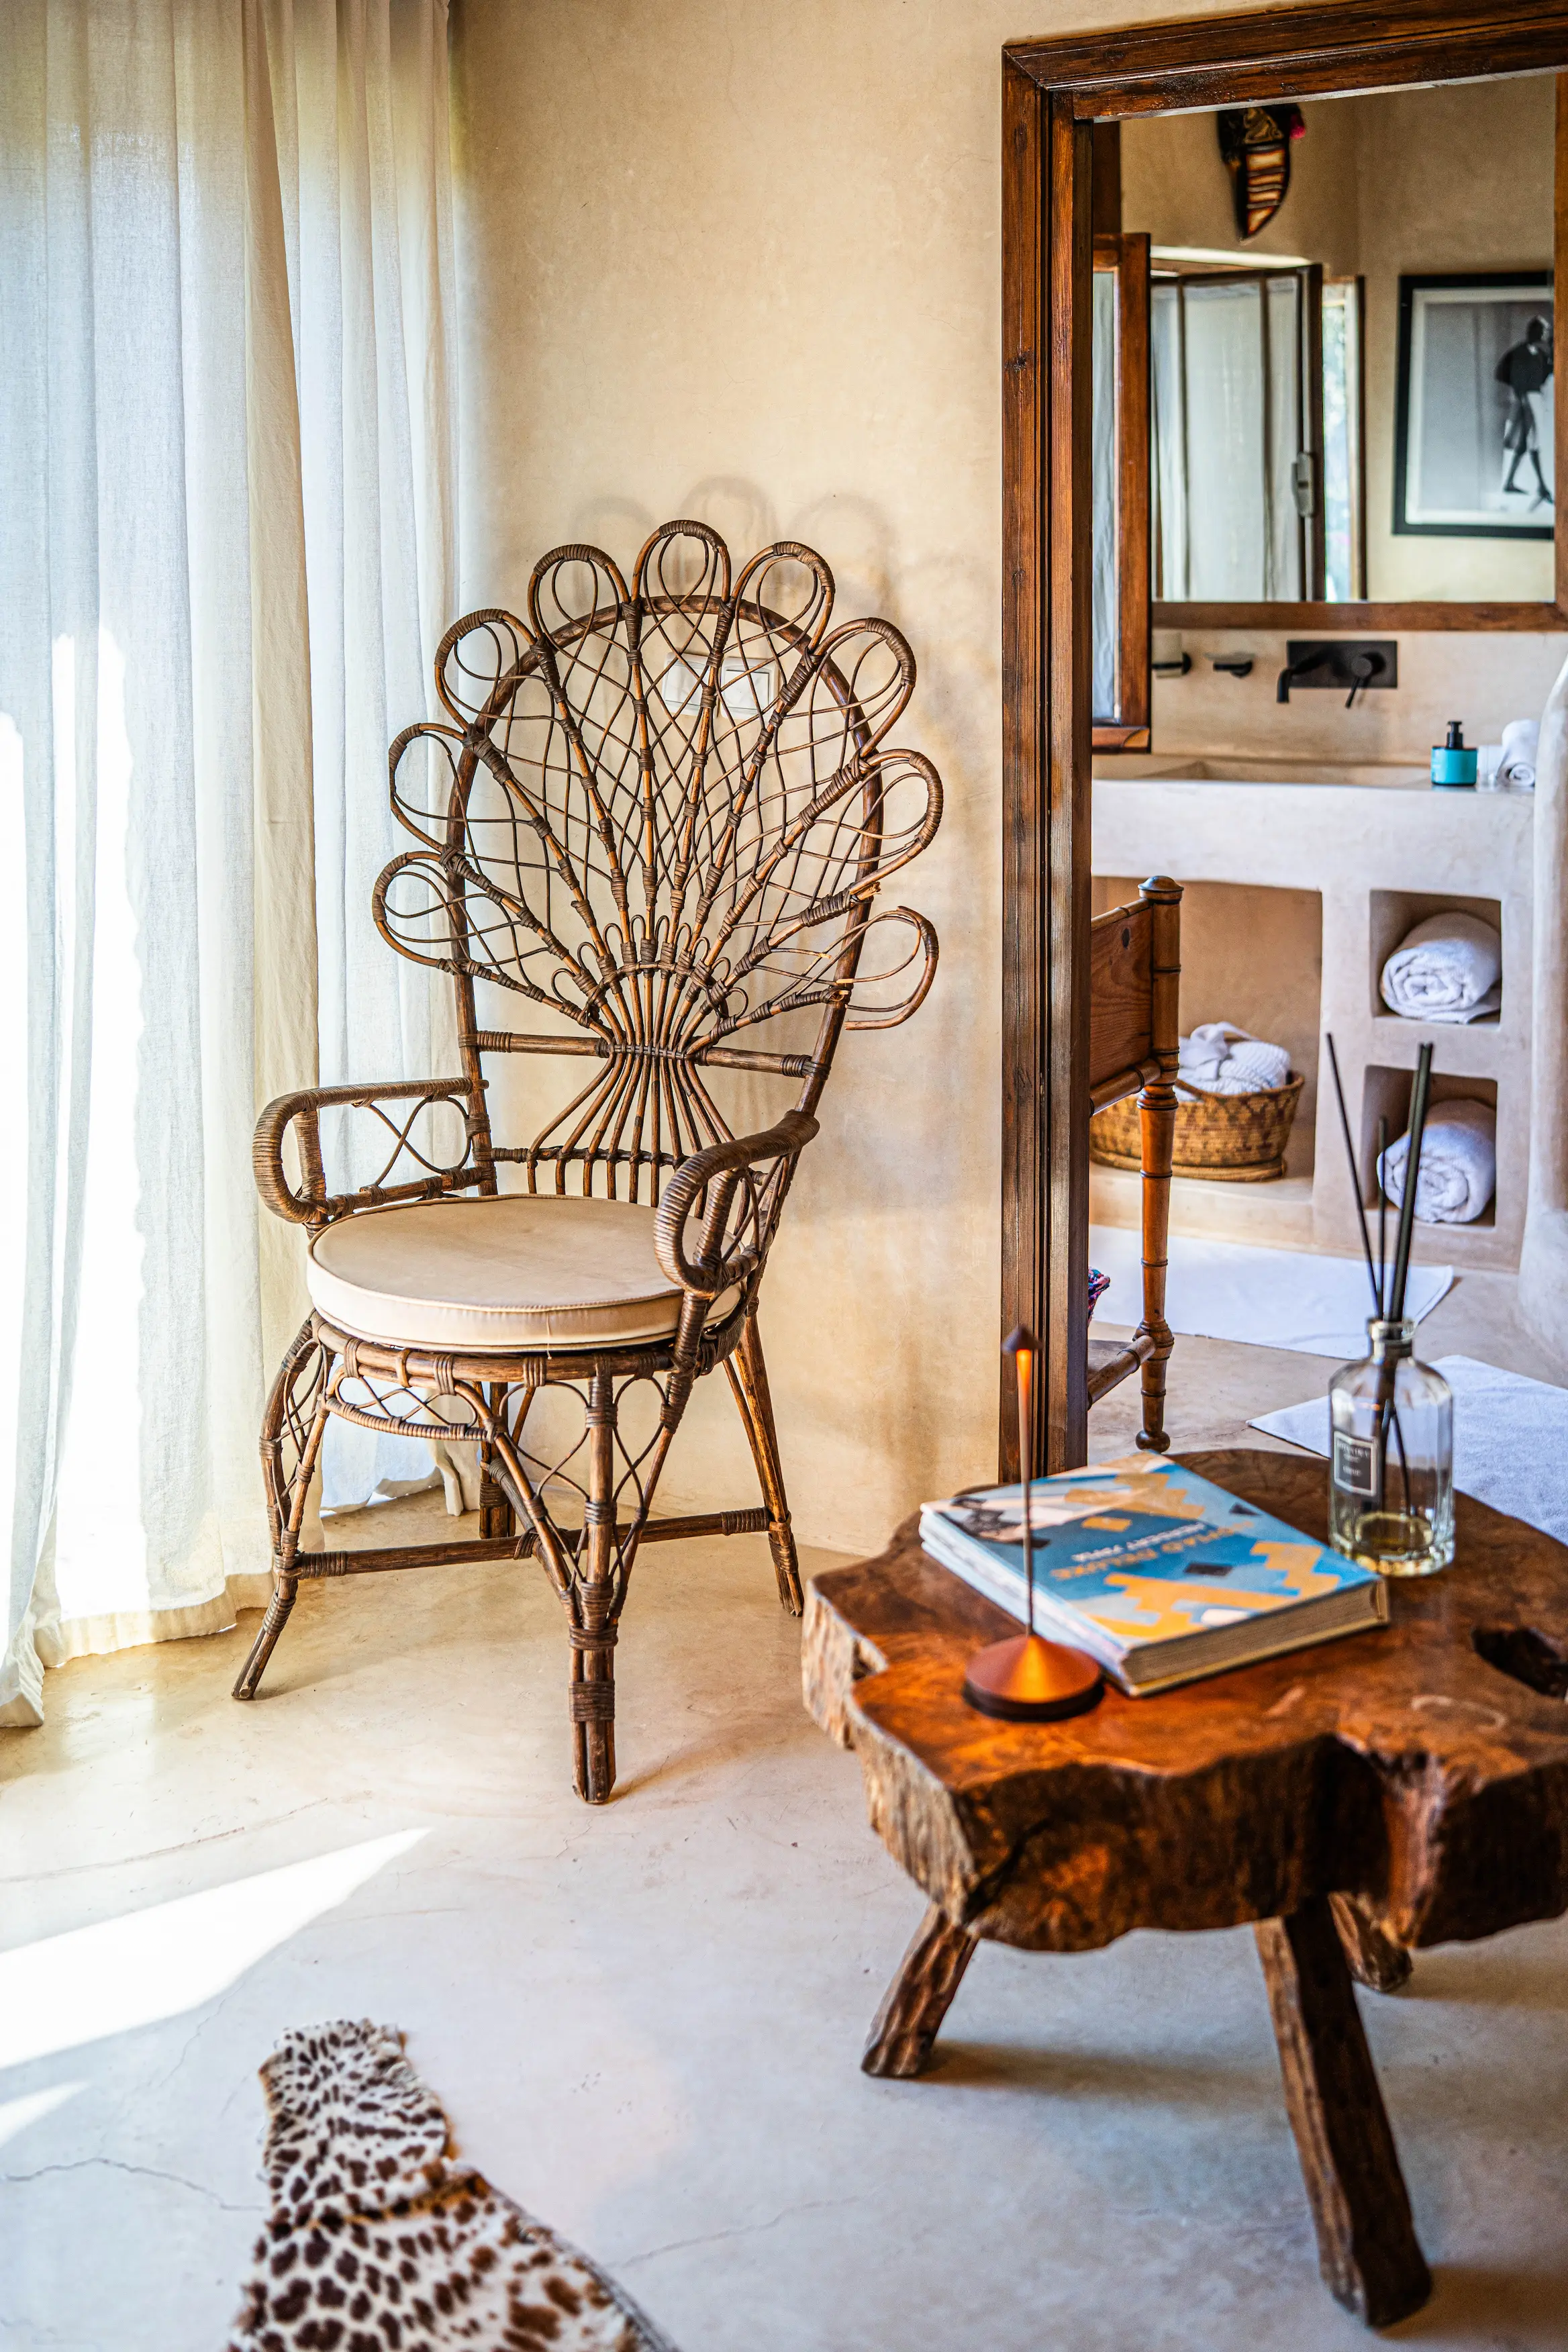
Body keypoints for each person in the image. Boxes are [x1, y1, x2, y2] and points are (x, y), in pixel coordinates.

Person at [1496, 315, 1554, 508]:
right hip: (1526, 399)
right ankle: (1542, 486)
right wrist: (1519, 391)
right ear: (1535, 331)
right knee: (1533, 442)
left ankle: (1511, 482)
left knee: (1526, 443)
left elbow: (1546, 374)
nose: (1545, 334)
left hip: (1535, 399)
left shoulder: (1539, 354)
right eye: (1543, 331)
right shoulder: (1519, 352)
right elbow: (1501, 372)